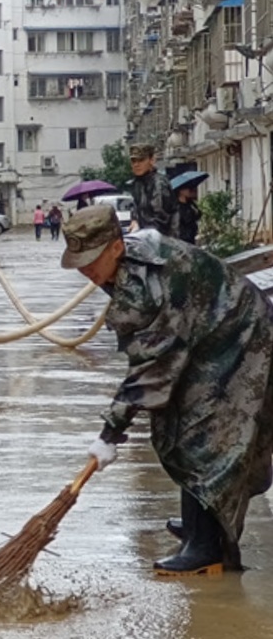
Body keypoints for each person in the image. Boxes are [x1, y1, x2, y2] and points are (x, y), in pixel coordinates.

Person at [70, 204, 273, 575]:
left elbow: (151, 369)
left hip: (239, 335)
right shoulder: (124, 266)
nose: (85, 269)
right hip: (203, 335)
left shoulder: (152, 282)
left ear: (116, 247)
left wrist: (110, 432)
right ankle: (198, 524)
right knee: (175, 428)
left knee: (208, 437)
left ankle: (209, 547)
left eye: (89, 259)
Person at [128, 143, 177, 236]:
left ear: (152, 160)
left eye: (141, 160)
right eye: (133, 161)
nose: (136, 164)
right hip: (146, 239)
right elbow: (135, 209)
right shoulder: (137, 183)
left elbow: (160, 220)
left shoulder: (159, 184)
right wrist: (134, 221)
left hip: (164, 240)